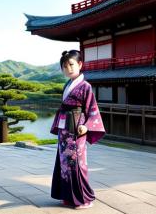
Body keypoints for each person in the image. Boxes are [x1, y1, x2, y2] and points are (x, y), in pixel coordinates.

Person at [50, 50, 106, 209]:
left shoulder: (85, 86)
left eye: (71, 64)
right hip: (64, 130)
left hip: (77, 128)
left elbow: (92, 109)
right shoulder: (67, 85)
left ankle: (83, 198)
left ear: (80, 64)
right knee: (64, 163)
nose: (68, 69)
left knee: (77, 163)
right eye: (65, 66)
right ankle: (68, 196)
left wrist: (86, 126)